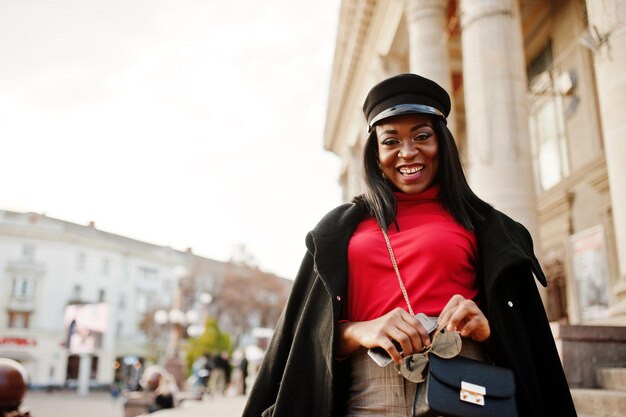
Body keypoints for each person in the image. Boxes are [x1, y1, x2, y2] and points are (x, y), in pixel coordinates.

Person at [242, 73, 578, 417]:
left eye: (422, 136)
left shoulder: (489, 226)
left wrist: (489, 329)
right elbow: (307, 338)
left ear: (442, 143)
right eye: (391, 141)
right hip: (369, 396)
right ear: (375, 153)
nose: (407, 152)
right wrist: (361, 330)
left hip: (466, 386)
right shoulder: (339, 230)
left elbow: (527, 343)